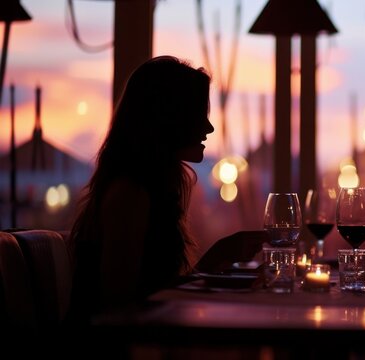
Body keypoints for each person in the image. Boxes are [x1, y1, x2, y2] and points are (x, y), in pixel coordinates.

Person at [66, 56, 267, 327]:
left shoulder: (147, 189)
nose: (208, 128)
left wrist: (216, 258)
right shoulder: (130, 195)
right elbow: (120, 304)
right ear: (167, 118)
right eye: (198, 115)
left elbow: (155, 292)